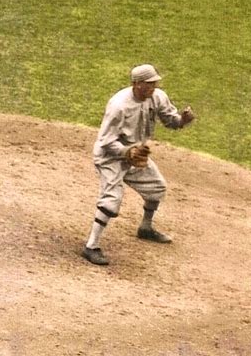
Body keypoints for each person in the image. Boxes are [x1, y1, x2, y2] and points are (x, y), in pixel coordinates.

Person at [82, 64, 195, 265]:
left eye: (154, 83)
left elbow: (170, 120)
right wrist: (127, 152)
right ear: (136, 84)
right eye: (149, 84)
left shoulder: (157, 96)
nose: (153, 87)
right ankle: (91, 246)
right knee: (112, 200)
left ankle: (145, 228)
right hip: (111, 158)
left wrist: (182, 120)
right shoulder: (119, 106)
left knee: (157, 188)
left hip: (137, 155)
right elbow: (106, 141)